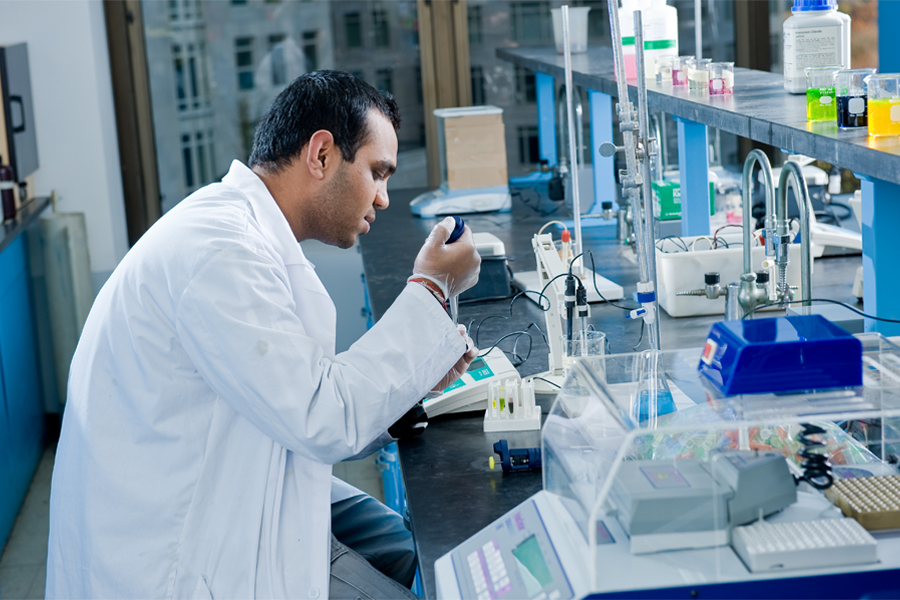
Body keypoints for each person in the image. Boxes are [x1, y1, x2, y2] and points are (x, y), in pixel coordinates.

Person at [46, 70, 481, 599]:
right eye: (377, 172)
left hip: (242, 478)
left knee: (419, 551)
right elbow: (323, 414)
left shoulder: (243, 232)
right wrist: (432, 287)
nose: (384, 197)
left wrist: (416, 380)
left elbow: (302, 401)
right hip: (181, 548)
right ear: (321, 155)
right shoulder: (218, 250)